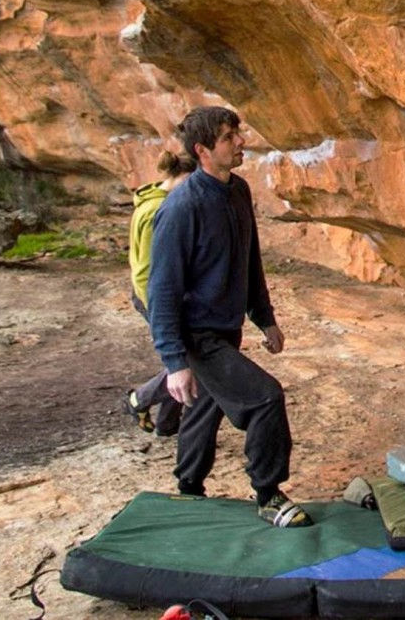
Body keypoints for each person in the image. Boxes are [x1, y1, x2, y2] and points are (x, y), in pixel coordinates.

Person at [147, 106, 310, 527]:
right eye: (227, 136)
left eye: (237, 132)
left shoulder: (237, 191)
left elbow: (249, 259)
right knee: (264, 397)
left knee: (204, 410)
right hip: (197, 336)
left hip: (227, 327)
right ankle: (268, 493)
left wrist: (264, 317)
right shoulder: (180, 208)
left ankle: (188, 490)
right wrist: (174, 363)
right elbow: (161, 291)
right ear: (202, 150)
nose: (241, 141)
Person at [122, 150, 197, 436]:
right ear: (184, 177)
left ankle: (167, 424)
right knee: (186, 360)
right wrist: (157, 306)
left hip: (162, 295)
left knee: (186, 357)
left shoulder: (159, 201)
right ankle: (138, 399)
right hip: (155, 297)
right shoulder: (159, 209)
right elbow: (145, 270)